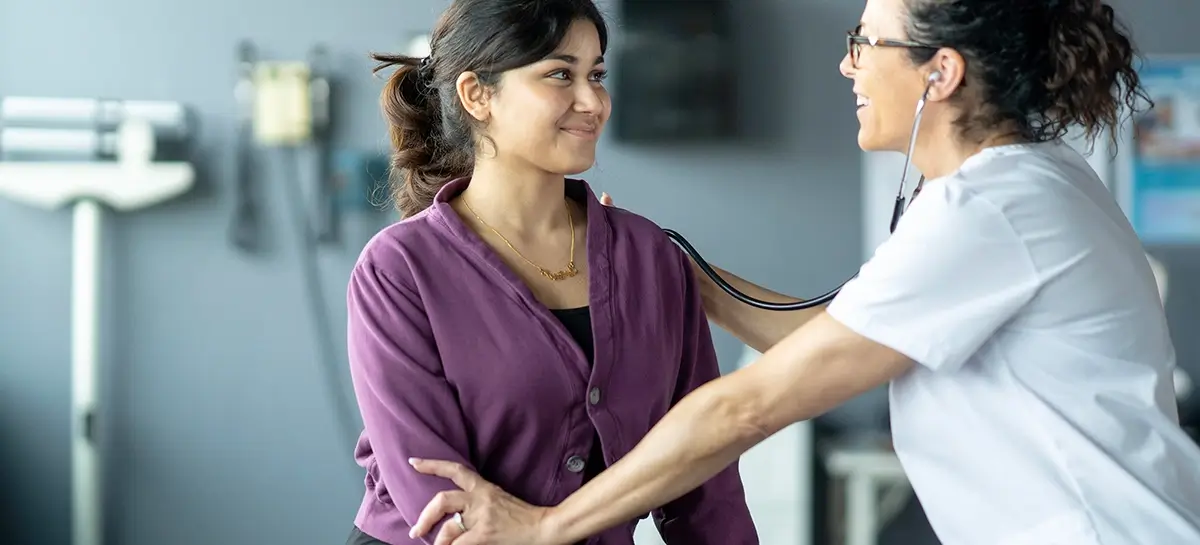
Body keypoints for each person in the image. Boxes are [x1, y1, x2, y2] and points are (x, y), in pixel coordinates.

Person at [404, 0, 1200, 544]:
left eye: (864, 42)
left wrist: (547, 526)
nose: (848, 66)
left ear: (941, 73)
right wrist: (692, 282)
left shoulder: (993, 208)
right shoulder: (1020, 185)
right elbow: (844, 338)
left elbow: (746, 407)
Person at [342, 0, 760, 544]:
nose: (593, 101)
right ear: (477, 95)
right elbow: (440, 507)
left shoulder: (652, 258)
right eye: (560, 74)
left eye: (598, 75)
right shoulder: (398, 270)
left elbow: (706, 481)